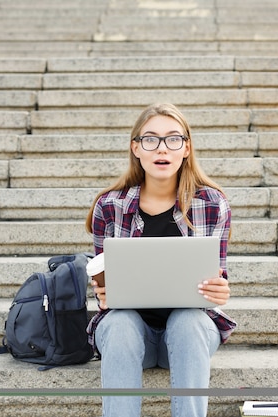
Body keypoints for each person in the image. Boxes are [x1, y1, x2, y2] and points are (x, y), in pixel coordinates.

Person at [84, 103, 237, 417]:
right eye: (151, 139)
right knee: (121, 324)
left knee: (189, 320)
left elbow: (216, 278)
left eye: (173, 139)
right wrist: (103, 293)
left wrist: (219, 292)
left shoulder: (211, 204)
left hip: (187, 336)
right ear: (136, 148)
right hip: (128, 335)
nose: (162, 148)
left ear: (186, 148)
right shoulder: (109, 206)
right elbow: (102, 278)